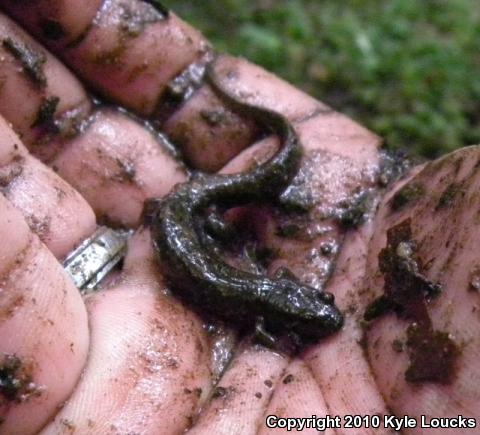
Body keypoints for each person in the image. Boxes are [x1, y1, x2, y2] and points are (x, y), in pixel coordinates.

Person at [0, 2, 478, 434]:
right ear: (289, 306)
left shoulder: (269, 305)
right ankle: (265, 146)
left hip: (186, 215)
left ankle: (271, 145)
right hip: (180, 218)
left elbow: (276, 294)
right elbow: (269, 316)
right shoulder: (266, 316)